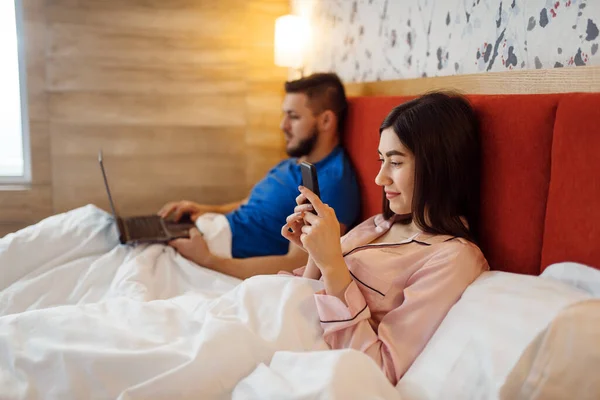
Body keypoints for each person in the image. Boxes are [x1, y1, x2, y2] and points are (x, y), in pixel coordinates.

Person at [281, 92, 490, 385]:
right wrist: (315, 253)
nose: (380, 178)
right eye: (381, 160)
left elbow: (380, 367)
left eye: (396, 162)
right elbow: (309, 294)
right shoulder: (379, 224)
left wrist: (331, 264)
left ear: (438, 165)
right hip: (279, 316)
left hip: (307, 357)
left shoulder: (453, 258)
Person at [158, 73, 361, 280]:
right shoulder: (293, 163)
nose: (283, 125)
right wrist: (206, 209)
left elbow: (298, 263)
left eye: (293, 116)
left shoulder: (331, 182)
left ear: (326, 120)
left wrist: (208, 260)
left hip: (221, 255)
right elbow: (251, 204)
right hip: (208, 232)